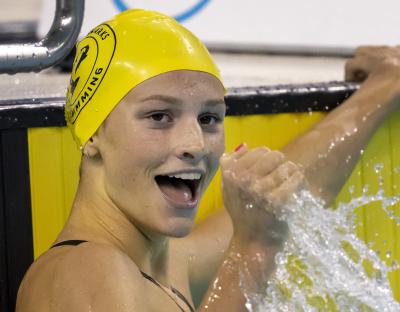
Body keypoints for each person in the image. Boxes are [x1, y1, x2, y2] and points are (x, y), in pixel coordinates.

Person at [16, 9, 400, 312]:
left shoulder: (165, 266)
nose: (195, 144)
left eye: (209, 118)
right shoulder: (86, 270)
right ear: (93, 133)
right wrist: (253, 249)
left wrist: (385, 86)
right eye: (159, 117)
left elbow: (303, 180)